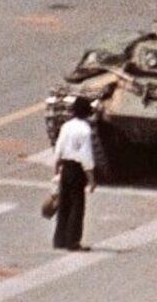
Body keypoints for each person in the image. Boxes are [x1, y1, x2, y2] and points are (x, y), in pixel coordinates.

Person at [52, 97, 97, 251]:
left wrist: (57, 170)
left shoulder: (66, 126)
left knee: (64, 204)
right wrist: (91, 180)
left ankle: (60, 240)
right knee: (77, 206)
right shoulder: (85, 130)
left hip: (66, 167)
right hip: (77, 170)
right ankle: (73, 242)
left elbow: (58, 149)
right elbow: (86, 156)